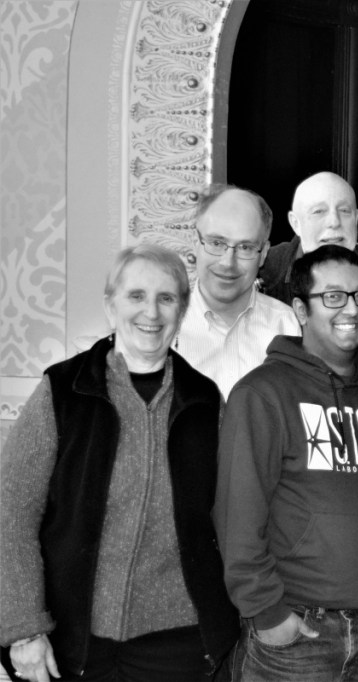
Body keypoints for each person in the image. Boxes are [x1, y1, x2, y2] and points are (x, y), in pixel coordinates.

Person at [0, 244, 238, 682]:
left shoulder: (205, 402)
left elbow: (230, 521)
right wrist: (23, 629)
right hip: (74, 644)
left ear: (181, 311)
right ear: (111, 304)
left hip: (181, 646)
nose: (151, 311)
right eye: (136, 296)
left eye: (167, 298)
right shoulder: (63, 392)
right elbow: (11, 515)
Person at [214, 245, 358, 681]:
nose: (351, 308)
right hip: (297, 633)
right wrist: (268, 614)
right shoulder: (262, 393)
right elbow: (237, 513)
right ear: (300, 308)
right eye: (332, 297)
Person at [259, 171, 358, 365]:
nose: (334, 222)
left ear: (356, 219)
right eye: (318, 212)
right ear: (295, 223)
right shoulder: (263, 272)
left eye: (344, 211)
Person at [176, 184, 299, 398]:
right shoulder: (165, 324)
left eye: (245, 248)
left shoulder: (285, 325)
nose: (227, 262)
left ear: (263, 254)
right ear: (196, 243)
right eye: (216, 243)